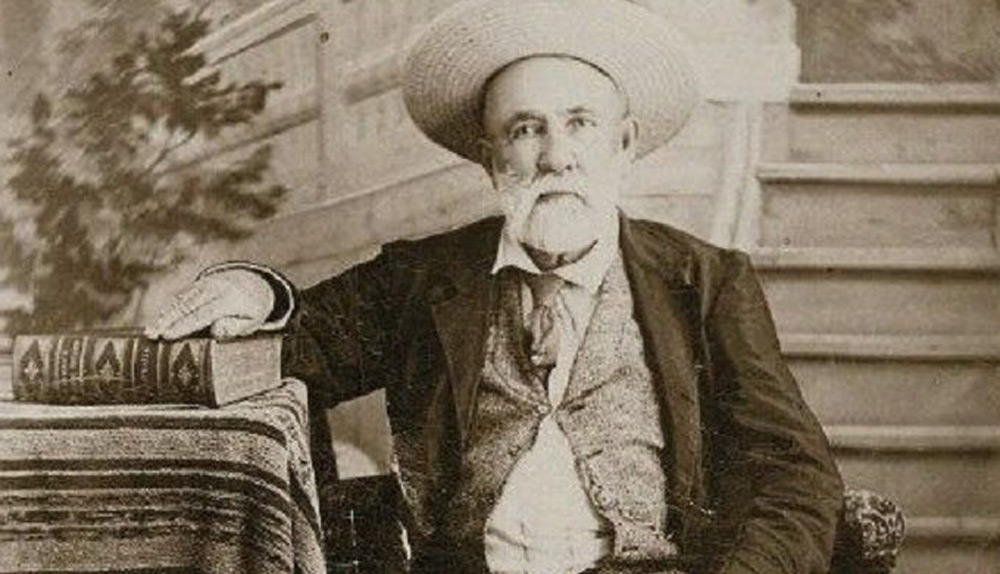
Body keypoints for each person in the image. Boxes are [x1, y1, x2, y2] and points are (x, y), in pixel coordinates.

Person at [147, 1, 843, 572]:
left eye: (580, 124)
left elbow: (797, 478)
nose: (556, 155)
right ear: (489, 158)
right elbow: (298, 345)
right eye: (525, 129)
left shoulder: (705, 282)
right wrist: (256, 289)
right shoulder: (424, 278)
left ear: (623, 143)